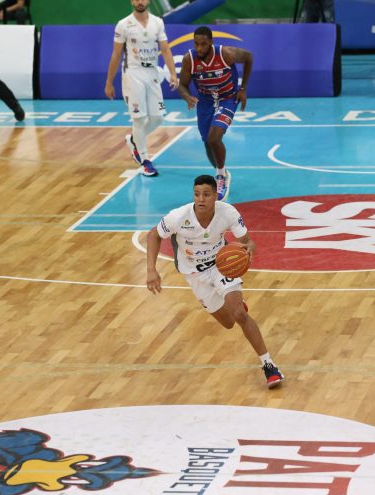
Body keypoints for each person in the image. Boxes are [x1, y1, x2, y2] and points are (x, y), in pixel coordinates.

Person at [146, 175, 284, 388]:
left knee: (239, 315)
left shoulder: (228, 212)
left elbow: (248, 242)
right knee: (228, 323)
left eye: (206, 194)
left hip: (221, 265)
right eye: (197, 194)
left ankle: (269, 365)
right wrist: (151, 270)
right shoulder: (178, 217)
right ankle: (234, 303)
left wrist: (248, 249)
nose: (201, 199)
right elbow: (153, 235)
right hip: (194, 273)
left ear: (215, 196)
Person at [177, 26, 252, 202]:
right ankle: (222, 170)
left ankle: (220, 176)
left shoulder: (226, 54)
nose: (199, 48)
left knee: (214, 138)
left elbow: (248, 57)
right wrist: (187, 97)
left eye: (203, 44)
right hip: (205, 102)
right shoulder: (189, 59)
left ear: (211, 42)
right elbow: (182, 85)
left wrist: (243, 89)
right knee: (207, 142)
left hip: (227, 99)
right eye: (196, 44)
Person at [105, 0, 178, 178]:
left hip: (152, 73)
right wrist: (109, 82)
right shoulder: (123, 24)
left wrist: (173, 73)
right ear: (132, 1)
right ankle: (145, 161)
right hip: (133, 74)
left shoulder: (157, 22)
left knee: (158, 117)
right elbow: (116, 54)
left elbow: (166, 49)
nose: (140, 1)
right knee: (139, 118)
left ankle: (134, 140)